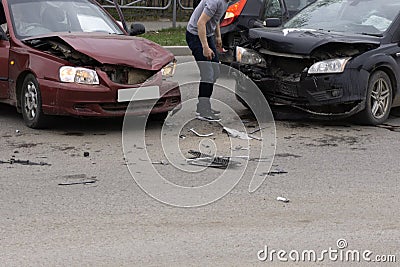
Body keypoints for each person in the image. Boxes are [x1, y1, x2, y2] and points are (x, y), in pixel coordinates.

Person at [186, 0, 229, 122]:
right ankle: (203, 110)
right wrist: (205, 47)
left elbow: (215, 19)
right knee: (208, 74)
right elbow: (201, 23)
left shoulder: (225, 2)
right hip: (195, 35)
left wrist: (218, 36)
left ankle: (204, 105)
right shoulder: (214, 1)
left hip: (207, 35)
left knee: (215, 71)